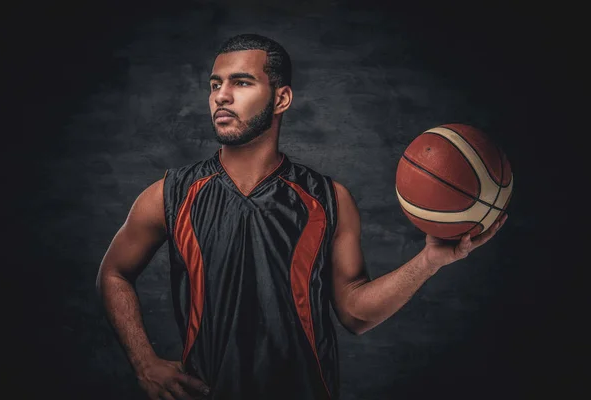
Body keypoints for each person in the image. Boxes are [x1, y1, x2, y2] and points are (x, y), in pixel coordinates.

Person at [96, 33, 508, 400]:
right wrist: (144, 363)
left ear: (282, 98)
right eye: (215, 84)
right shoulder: (170, 194)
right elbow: (113, 273)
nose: (221, 96)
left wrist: (430, 261)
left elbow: (355, 314)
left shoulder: (328, 199)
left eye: (241, 82)